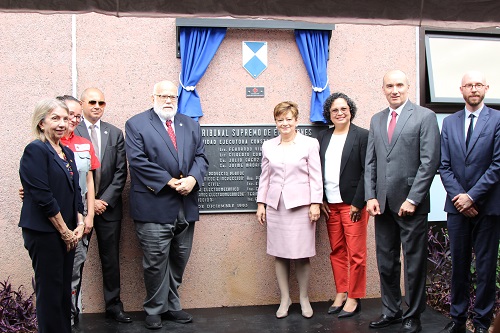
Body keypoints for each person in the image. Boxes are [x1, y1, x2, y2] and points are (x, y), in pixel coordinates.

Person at [125, 80, 208, 330]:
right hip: (154, 204)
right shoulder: (136, 124)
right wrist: (170, 181)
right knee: (155, 260)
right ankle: (154, 308)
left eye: (172, 96)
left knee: (179, 258)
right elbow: (137, 161)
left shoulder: (190, 124)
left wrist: (193, 178)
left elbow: (201, 157)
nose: (168, 100)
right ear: (153, 97)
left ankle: (172, 306)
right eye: (163, 96)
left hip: (186, 204)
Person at [364, 70, 440, 333]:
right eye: (389, 86)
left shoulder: (425, 117)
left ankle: (413, 314)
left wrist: (414, 198)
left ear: (408, 87)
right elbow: (371, 161)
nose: (394, 90)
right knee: (386, 262)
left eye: (399, 85)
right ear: (383, 89)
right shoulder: (376, 119)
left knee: (414, 262)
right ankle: (391, 310)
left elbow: (430, 162)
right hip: (382, 204)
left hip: (411, 205)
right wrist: (370, 196)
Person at [438, 71, 500, 333]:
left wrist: (472, 196)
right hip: (456, 208)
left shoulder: (497, 119)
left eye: (478, 84)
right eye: (468, 85)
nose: (473, 89)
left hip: (488, 207)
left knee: (485, 267)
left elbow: (497, 164)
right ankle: (458, 319)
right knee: (459, 266)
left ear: (486, 88)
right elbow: (444, 166)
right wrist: (460, 199)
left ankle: (483, 321)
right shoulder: (450, 123)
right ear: (461, 89)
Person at [19, 98, 85, 333]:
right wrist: (65, 231)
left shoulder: (66, 152)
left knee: (63, 290)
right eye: (55, 118)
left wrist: (78, 223)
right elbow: (43, 196)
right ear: (41, 123)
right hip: (45, 232)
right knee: (49, 291)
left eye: (65, 119)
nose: (62, 123)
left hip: (68, 232)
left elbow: (76, 191)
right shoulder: (36, 150)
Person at [256, 101, 323, 319]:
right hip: (276, 207)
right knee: (280, 254)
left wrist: (315, 203)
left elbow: (316, 176)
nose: (284, 123)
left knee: (302, 255)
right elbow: (264, 177)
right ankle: (285, 299)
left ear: (296, 120)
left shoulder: (309, 144)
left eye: (288, 119)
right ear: (275, 122)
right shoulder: (268, 145)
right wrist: (261, 204)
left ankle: (304, 298)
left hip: (302, 207)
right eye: (280, 119)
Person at [74, 88, 131, 323]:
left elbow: (121, 172)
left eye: (102, 102)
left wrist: (103, 201)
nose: (97, 106)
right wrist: (89, 201)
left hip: (109, 209)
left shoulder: (115, 133)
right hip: (78, 209)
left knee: (110, 259)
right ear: (82, 104)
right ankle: (70, 308)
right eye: (92, 102)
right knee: (76, 260)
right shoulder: (71, 130)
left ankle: (113, 306)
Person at [317, 93, 369, 318]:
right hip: (331, 205)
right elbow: (316, 170)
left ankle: (354, 297)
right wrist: (320, 199)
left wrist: (359, 202)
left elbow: (369, 171)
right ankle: (341, 291)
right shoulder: (322, 137)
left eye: (343, 109)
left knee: (356, 254)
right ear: (329, 114)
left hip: (353, 205)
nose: (339, 113)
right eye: (334, 110)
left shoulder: (362, 136)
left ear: (350, 111)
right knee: (337, 251)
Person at [56, 95, 100, 326]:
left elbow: (89, 181)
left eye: (76, 115)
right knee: (54, 271)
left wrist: (90, 215)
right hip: (53, 217)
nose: (73, 119)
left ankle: (70, 317)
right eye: (69, 114)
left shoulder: (84, 143)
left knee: (75, 269)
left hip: (80, 217)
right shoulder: (47, 144)